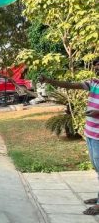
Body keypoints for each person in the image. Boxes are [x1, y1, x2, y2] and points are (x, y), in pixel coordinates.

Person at [39, 59, 99, 215]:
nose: (97, 71)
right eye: (96, 68)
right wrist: (48, 80)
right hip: (91, 132)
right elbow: (71, 85)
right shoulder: (94, 83)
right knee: (96, 166)